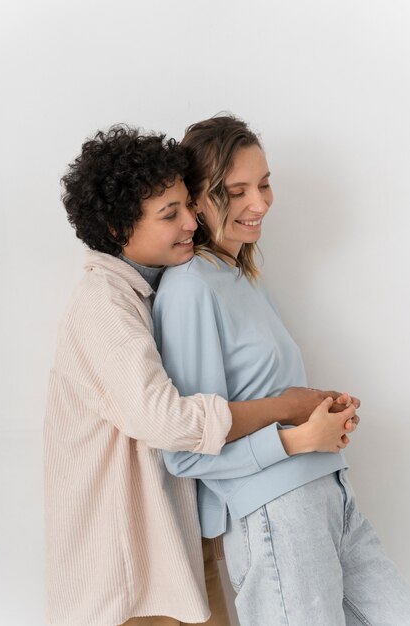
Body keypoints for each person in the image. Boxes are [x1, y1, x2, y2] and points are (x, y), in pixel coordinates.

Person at [44, 125, 358, 626]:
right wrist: (286, 411)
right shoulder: (103, 305)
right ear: (118, 230)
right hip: (126, 570)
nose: (192, 221)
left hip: (171, 549)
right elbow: (167, 422)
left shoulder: (157, 291)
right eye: (170, 214)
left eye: (188, 205)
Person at [152, 115, 410, 626]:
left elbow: (264, 399)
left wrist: (319, 412)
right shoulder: (189, 289)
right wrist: (297, 440)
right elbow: (185, 452)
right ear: (198, 201)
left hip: (329, 496)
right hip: (276, 513)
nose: (260, 203)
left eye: (265, 184)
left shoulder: (242, 278)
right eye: (238, 190)